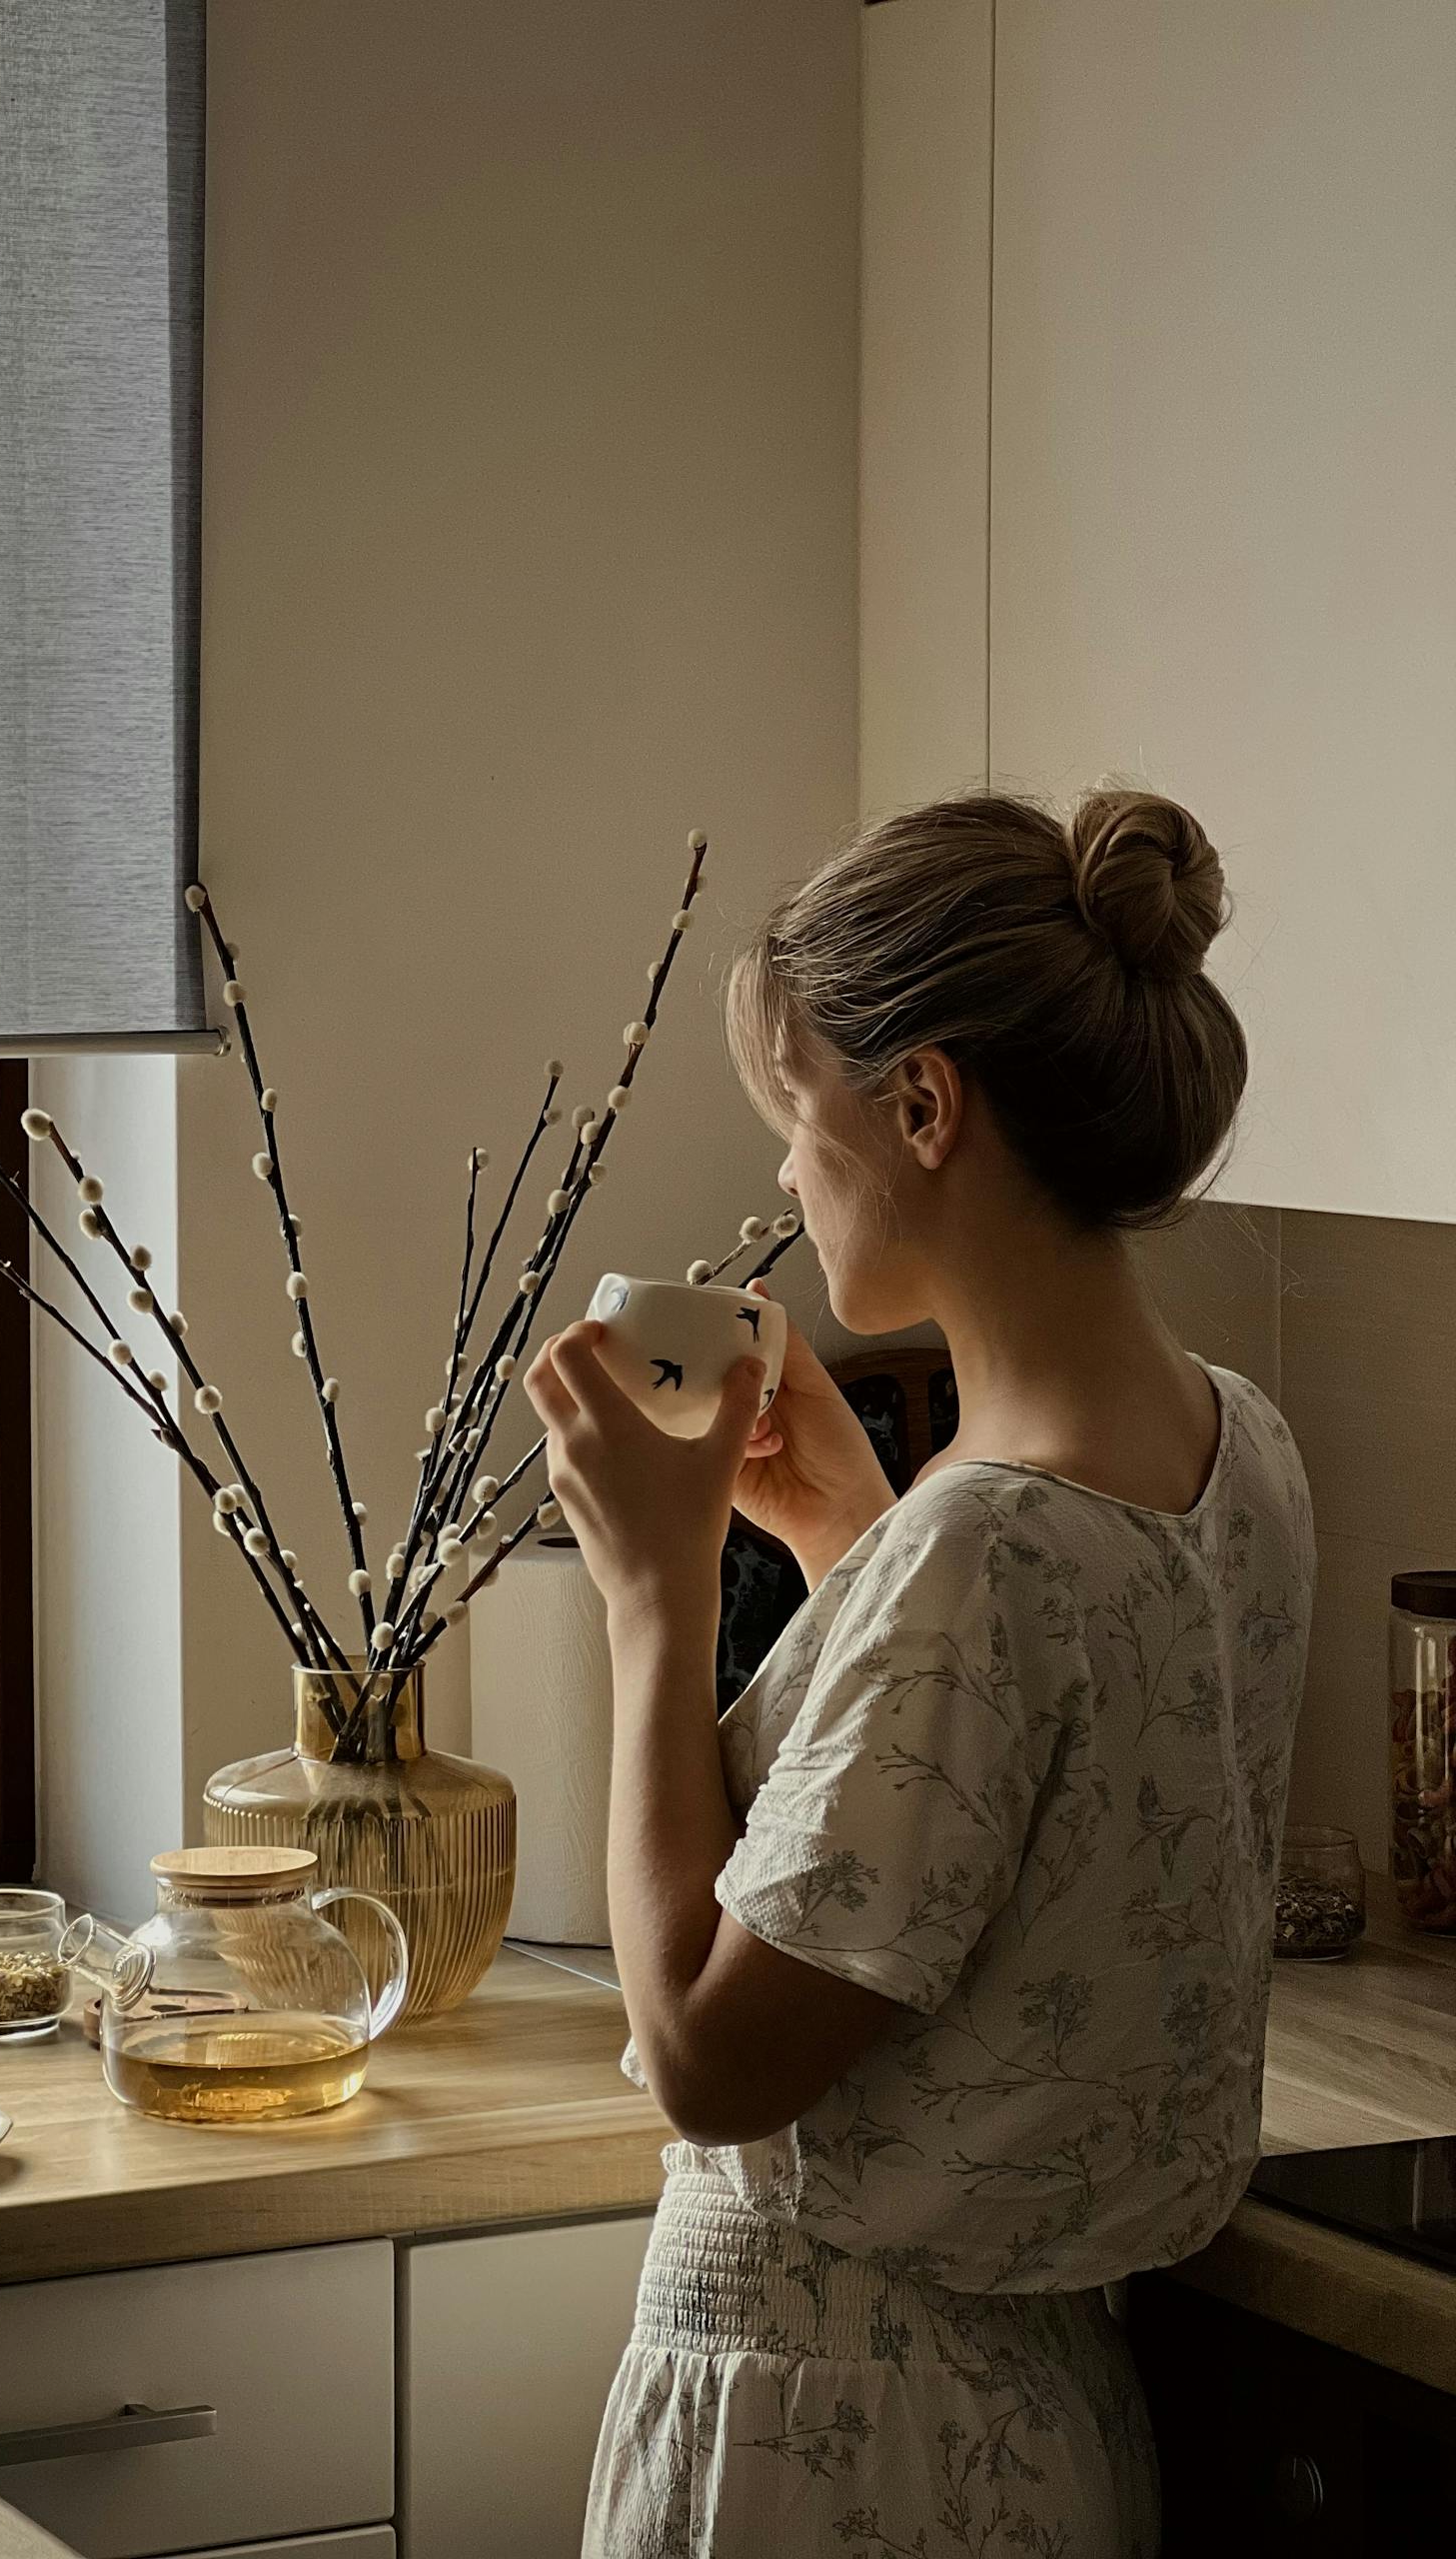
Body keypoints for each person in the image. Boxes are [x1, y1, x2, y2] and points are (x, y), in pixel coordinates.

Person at [525, 789, 1315, 2557]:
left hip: (830, 2454)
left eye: (797, 1128)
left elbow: (710, 2064)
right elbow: (1020, 1830)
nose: (787, 1183)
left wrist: (654, 1595)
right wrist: (845, 1546)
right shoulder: (1239, 1450)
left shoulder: (979, 1556)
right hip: (1044, 2438)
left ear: (925, 1105)